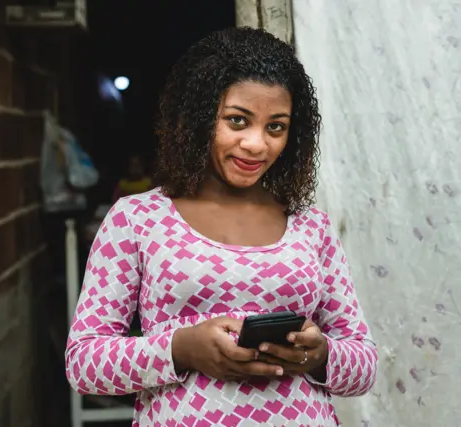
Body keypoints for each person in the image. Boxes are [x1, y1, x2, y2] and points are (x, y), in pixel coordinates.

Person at [65, 27, 377, 426]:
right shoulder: (137, 219)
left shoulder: (309, 225)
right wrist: (181, 349)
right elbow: (84, 364)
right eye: (237, 121)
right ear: (198, 118)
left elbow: (364, 362)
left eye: (275, 127)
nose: (256, 144)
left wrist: (320, 357)